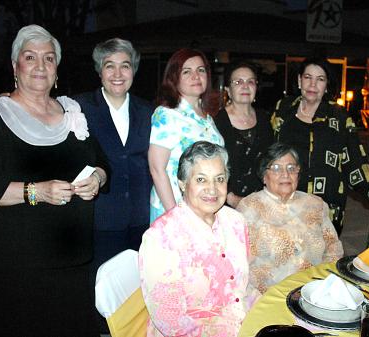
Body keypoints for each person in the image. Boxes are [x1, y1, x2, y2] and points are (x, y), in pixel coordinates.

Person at [0, 24, 109, 337]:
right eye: (30, 57)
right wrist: (37, 192)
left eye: (48, 58)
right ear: (15, 66)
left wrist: (97, 179)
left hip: (73, 264)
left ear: (56, 70)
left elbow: (101, 162)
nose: (40, 65)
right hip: (21, 267)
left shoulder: (72, 111)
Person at [140, 141, 259, 337]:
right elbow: (169, 320)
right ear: (182, 184)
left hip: (242, 322)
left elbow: (244, 286)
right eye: (201, 180)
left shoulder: (236, 221)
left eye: (219, 179)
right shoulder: (161, 237)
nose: (212, 189)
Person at [74, 38, 153, 272]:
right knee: (101, 294)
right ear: (100, 71)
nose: (118, 73)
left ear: (134, 71)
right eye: (110, 65)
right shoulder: (79, 108)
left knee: (136, 294)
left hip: (141, 219)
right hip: (100, 219)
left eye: (125, 65)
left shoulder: (149, 111)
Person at [271, 57, 369, 235]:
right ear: (299, 80)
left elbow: (355, 160)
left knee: (321, 260)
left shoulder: (339, 116)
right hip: (284, 204)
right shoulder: (283, 109)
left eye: (320, 79)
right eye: (308, 77)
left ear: (326, 86)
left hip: (325, 208)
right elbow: (268, 151)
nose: (313, 84)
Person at [237, 142, 343, 294]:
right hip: (266, 296)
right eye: (276, 168)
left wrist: (324, 283)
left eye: (291, 168)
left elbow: (333, 247)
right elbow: (238, 262)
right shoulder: (249, 208)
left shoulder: (315, 204)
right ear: (264, 176)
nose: (285, 174)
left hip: (313, 291)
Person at [149, 48, 224, 222]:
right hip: (175, 209)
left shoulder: (207, 117)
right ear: (174, 78)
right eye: (187, 71)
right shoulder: (167, 114)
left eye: (201, 70)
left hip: (204, 207)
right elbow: (157, 169)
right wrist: (174, 215)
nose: (196, 76)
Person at [214, 61, 273, 208]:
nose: (245, 86)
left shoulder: (265, 118)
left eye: (250, 81)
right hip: (227, 204)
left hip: (263, 203)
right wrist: (232, 198)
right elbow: (211, 166)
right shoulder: (217, 122)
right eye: (238, 82)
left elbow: (272, 159)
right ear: (228, 89)